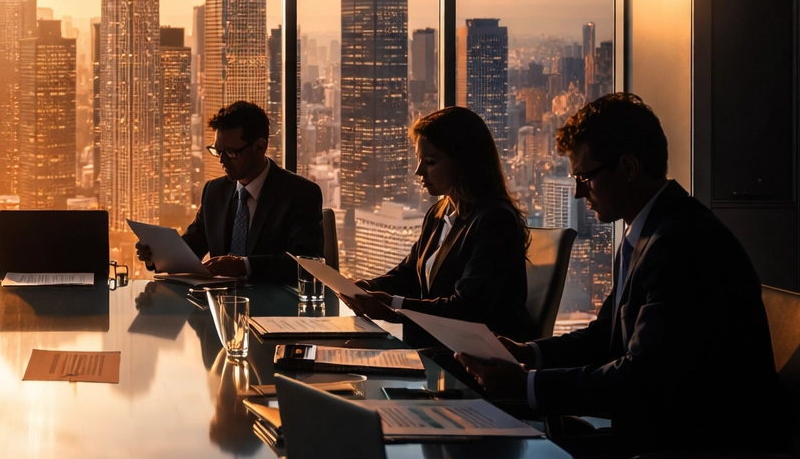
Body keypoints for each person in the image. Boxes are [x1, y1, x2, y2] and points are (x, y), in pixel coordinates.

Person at [455, 93, 777, 459]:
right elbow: (604, 337)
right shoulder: (654, 232)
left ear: (627, 167)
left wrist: (525, 384)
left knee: (493, 457)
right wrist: (528, 354)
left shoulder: (680, 245)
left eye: (584, 177)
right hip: (653, 443)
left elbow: (643, 379)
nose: (578, 192)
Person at [343, 106, 534, 341]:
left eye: (430, 162)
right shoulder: (439, 212)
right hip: (436, 344)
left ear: (463, 163)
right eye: (419, 160)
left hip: (475, 359)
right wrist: (366, 288)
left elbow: (466, 309)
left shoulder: (495, 221)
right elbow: (410, 273)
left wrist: (392, 306)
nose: (418, 171)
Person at [138, 100, 323, 282]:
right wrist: (156, 255)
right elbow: (190, 251)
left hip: (275, 308)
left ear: (259, 147)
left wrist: (243, 266)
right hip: (218, 305)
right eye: (218, 151)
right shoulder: (214, 191)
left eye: (231, 153)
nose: (222, 161)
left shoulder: (300, 194)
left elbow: (306, 263)